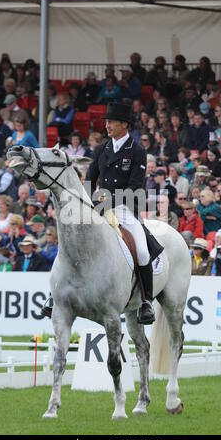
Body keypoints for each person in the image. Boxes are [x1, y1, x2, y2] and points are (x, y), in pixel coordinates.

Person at [81, 102, 164, 325]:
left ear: (124, 124)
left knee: (143, 250)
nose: (107, 126)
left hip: (125, 208)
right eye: (106, 122)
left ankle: (146, 301)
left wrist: (108, 201)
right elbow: (89, 180)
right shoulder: (101, 150)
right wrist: (90, 201)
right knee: (77, 236)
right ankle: (57, 294)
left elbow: (136, 186)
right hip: (99, 206)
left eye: (111, 122)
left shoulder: (137, 151)